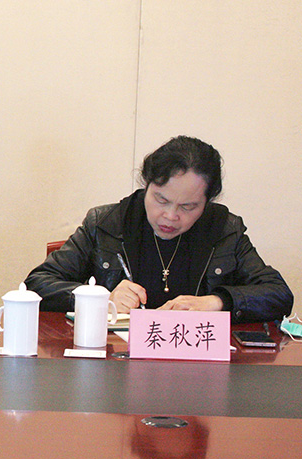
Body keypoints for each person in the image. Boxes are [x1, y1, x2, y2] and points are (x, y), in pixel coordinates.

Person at [24, 136, 292, 322]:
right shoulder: (107, 223)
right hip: (117, 363)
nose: (170, 216)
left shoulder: (224, 230)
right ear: (147, 185)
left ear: (207, 202)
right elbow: (37, 284)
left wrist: (217, 302)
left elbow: (279, 294)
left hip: (198, 366)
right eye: (161, 200)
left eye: (188, 206)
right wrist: (99, 298)